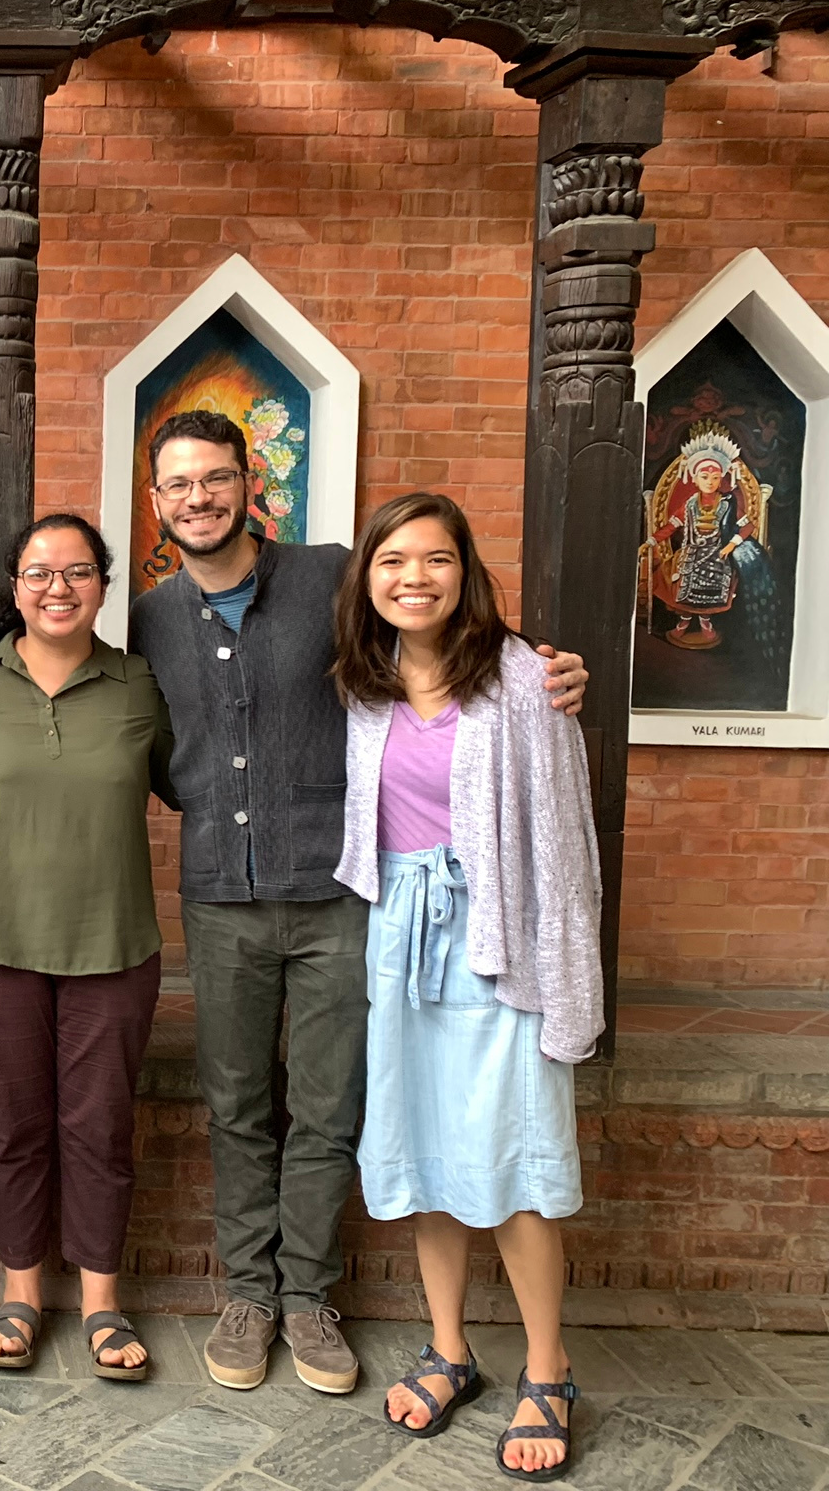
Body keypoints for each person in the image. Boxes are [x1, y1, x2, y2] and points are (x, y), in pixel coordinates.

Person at [127, 410, 588, 1397]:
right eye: (176, 485)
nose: (197, 498)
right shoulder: (150, 616)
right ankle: (247, 1295)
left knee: (328, 1107)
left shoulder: (334, 575)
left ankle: (307, 1299)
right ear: (155, 503)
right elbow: (152, 746)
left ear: (250, 485)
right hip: (220, 892)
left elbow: (438, 628)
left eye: (214, 478)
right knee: (238, 1105)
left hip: (344, 892)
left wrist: (542, 667)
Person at [331, 492, 600, 1483]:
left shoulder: (525, 680)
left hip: (500, 945)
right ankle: (449, 1350)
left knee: (518, 1159)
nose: (413, 577)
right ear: (366, 578)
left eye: (434, 559)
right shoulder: (364, 686)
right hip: (397, 944)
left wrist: (563, 984)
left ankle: (546, 1368)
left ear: (465, 572)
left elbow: (565, 843)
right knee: (422, 1151)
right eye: (391, 560)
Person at [0, 514, 171, 1382]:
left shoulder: (142, 685)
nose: (57, 589)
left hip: (112, 944)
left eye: (76, 573)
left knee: (101, 1127)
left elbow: (195, 780)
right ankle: (23, 1291)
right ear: (15, 586)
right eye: (38, 574)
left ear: (104, 585)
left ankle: (103, 1302)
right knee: (12, 1123)